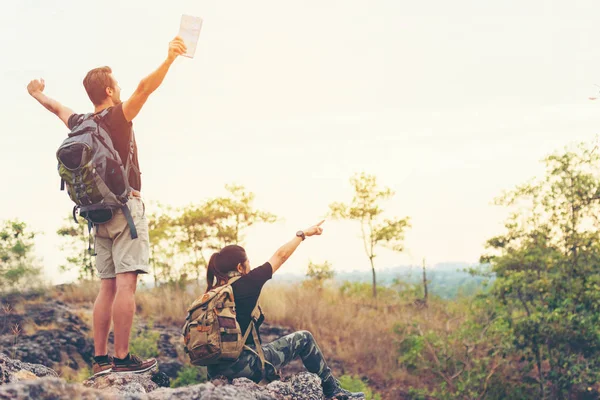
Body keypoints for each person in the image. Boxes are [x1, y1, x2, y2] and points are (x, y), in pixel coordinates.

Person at [26, 36, 187, 377]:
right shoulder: (118, 116)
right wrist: (170, 58)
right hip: (126, 210)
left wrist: (35, 92)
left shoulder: (80, 122)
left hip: (96, 215)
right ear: (111, 92)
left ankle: (100, 361)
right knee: (126, 285)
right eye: (118, 86)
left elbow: (56, 108)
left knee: (107, 286)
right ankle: (123, 358)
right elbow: (146, 88)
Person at [205, 221, 364, 399]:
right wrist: (302, 234)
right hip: (244, 368)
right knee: (304, 338)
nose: (250, 266)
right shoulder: (246, 283)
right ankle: (333, 391)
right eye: (247, 263)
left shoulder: (211, 295)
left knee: (260, 349)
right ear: (239, 267)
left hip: (214, 373)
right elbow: (281, 255)